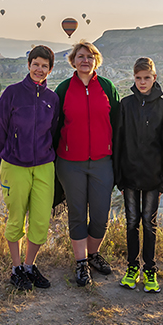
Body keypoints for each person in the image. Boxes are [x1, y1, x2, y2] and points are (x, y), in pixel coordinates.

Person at [0, 45, 60, 292]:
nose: (39, 69)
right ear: (28, 64)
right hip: (15, 165)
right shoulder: (11, 94)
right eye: (36, 64)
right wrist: (7, 155)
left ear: (50, 70)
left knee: (41, 221)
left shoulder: (52, 99)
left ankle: (30, 266)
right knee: (16, 219)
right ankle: (16, 268)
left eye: (45, 66)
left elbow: (53, 132)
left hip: (43, 166)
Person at [54, 40, 119, 286]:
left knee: (101, 215)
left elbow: (117, 122)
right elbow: (55, 124)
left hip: (102, 160)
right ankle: (81, 263)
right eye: (81, 56)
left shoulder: (107, 87)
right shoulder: (63, 89)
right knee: (77, 213)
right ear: (73, 60)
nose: (85, 60)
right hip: (70, 162)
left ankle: (93, 254)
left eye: (90, 56)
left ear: (96, 61)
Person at [114, 57, 163, 293]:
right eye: (138, 78)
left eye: (147, 78)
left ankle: (149, 270)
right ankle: (131, 268)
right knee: (131, 223)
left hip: (153, 178)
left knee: (149, 224)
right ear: (134, 78)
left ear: (154, 78)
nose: (142, 82)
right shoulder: (126, 105)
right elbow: (118, 142)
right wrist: (118, 176)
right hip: (129, 176)